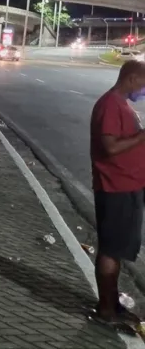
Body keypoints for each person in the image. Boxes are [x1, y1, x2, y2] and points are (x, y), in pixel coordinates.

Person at [89, 60, 145, 327]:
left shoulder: (121, 104)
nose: (144, 90)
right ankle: (106, 310)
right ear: (132, 79)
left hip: (127, 187)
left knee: (118, 248)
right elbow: (110, 147)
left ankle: (112, 302)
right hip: (115, 188)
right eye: (144, 84)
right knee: (111, 249)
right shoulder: (111, 104)